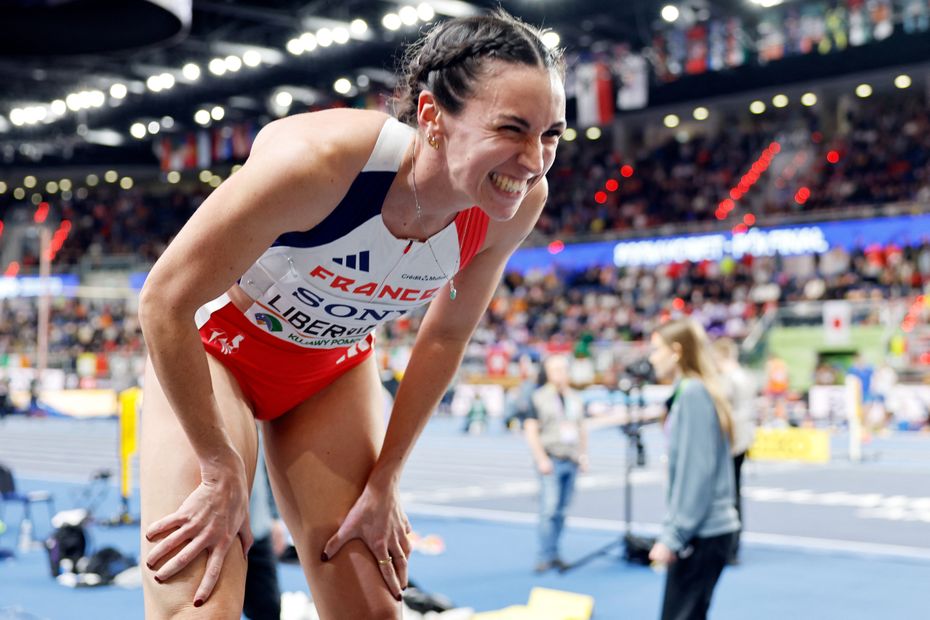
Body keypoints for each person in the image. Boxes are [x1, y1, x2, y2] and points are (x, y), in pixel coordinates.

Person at [138, 10, 566, 619]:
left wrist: (386, 477)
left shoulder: (517, 205)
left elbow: (445, 336)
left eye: (551, 134)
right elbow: (162, 301)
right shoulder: (320, 164)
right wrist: (216, 465)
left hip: (329, 372)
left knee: (372, 608)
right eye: (512, 129)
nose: (533, 160)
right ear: (432, 118)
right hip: (214, 353)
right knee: (199, 605)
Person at [648, 319, 740, 620]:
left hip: (704, 531)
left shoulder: (693, 393)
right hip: (704, 530)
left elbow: (696, 472)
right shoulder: (688, 391)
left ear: (676, 351)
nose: (652, 357)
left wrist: (674, 535)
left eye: (656, 349)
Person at [523, 354, 588, 573]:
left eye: (563, 369)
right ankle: (545, 555)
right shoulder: (538, 397)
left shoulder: (575, 399)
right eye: (555, 369)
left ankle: (555, 552)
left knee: (561, 511)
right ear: (548, 373)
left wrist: (583, 454)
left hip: (570, 459)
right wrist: (541, 458)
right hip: (550, 458)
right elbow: (531, 430)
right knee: (548, 510)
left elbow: (581, 429)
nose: (560, 374)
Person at [712, 337, 757, 564]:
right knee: (735, 493)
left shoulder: (728, 380)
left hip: (731, 441)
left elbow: (723, 411)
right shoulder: (746, 376)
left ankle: (728, 548)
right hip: (744, 439)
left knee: (729, 496)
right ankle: (733, 546)